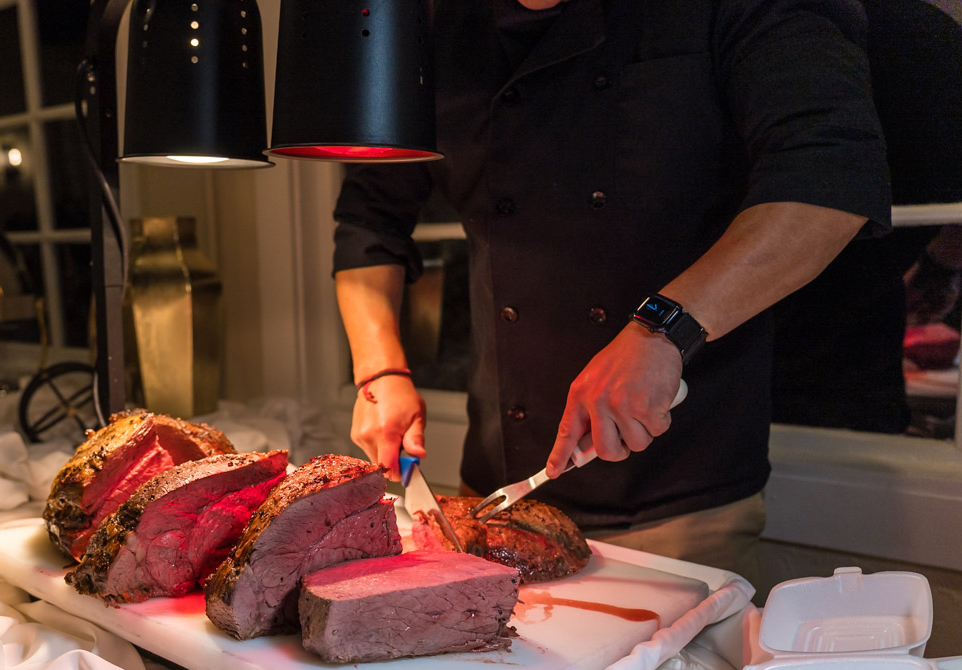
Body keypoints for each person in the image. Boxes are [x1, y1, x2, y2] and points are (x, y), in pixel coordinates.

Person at [330, 0, 891, 581]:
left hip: (676, 498)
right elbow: (370, 218)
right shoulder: (431, 25)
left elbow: (830, 178)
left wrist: (664, 329)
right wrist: (380, 374)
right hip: (497, 490)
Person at [771, 0, 962, 434]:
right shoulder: (930, 34)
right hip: (860, 359)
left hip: (751, 345)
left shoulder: (766, 24)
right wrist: (938, 268)